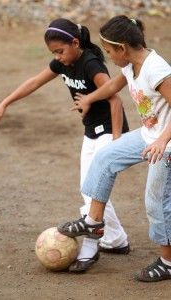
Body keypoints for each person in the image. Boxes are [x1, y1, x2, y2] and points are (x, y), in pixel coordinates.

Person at [0, 18, 130, 272]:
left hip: (110, 132)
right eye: (53, 53)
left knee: (93, 191)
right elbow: (34, 81)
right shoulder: (64, 62)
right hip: (91, 132)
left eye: (60, 51)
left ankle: (90, 249)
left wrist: (117, 141)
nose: (58, 57)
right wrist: (5, 102)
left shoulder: (90, 63)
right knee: (87, 189)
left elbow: (116, 100)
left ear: (75, 43)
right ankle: (117, 240)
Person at [57, 15, 171, 281]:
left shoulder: (157, 69)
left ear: (122, 47)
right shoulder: (132, 65)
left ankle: (168, 262)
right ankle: (94, 222)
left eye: (108, 51)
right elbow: (112, 86)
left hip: (166, 143)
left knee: (156, 201)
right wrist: (88, 99)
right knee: (106, 155)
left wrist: (163, 139)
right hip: (150, 135)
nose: (108, 57)